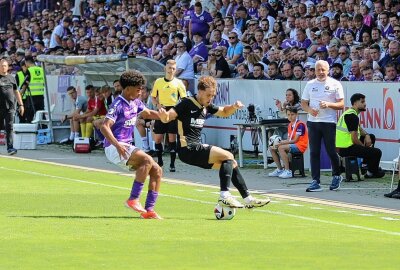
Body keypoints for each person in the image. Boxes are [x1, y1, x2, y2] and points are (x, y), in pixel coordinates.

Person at [158, 76, 270, 209]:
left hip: (194, 150)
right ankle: (224, 195)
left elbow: (224, 112)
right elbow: (169, 116)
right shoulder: (186, 103)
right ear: (199, 91)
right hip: (187, 148)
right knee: (228, 156)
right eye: (208, 95)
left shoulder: (206, 105)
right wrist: (164, 116)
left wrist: (234, 106)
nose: (210, 98)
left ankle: (248, 198)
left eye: (213, 95)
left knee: (231, 163)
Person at [100, 69, 163, 219]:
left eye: (142, 88)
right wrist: (117, 145)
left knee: (157, 170)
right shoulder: (118, 105)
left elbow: (147, 113)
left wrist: (166, 115)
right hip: (114, 147)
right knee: (147, 160)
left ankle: (149, 211)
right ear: (127, 89)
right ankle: (133, 199)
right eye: (138, 89)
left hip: (126, 146)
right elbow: (104, 126)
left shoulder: (135, 102)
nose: (141, 92)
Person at [301, 60, 344, 192]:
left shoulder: (335, 84)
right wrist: (309, 110)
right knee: (314, 152)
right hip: (313, 122)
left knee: (331, 151)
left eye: (323, 70)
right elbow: (304, 103)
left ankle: (336, 175)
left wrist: (328, 104)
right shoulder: (310, 84)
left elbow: (341, 104)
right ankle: (315, 181)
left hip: (328, 122)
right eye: (318, 70)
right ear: (314, 71)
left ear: (328, 70)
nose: (320, 72)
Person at [336, 93, 385, 179]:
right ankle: (372, 173)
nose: (365, 104)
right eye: (362, 102)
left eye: (364, 101)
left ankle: (364, 165)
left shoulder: (350, 113)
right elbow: (354, 139)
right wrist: (365, 148)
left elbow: (359, 129)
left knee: (371, 137)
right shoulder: (352, 116)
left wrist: (366, 135)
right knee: (377, 152)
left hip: (345, 145)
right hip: (346, 148)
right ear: (355, 103)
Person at [151, 59, 187, 172]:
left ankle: (172, 163)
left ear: (175, 70)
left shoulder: (179, 83)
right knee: (158, 138)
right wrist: (157, 105)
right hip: (161, 111)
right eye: (169, 68)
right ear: (165, 68)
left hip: (172, 111)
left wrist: (178, 110)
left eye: (173, 68)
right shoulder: (158, 81)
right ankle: (160, 161)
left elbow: (184, 99)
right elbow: (153, 97)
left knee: (172, 138)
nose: (171, 70)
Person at [268, 107, 308, 179]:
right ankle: (279, 169)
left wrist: (282, 142)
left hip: (300, 145)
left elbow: (295, 140)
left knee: (281, 147)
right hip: (293, 144)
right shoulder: (290, 125)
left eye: (292, 114)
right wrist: (279, 142)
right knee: (272, 148)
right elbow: (289, 139)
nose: (290, 116)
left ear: (296, 114)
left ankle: (288, 171)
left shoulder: (300, 125)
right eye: (288, 114)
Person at [0, 58, 24, 155]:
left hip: (10, 107)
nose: (3, 67)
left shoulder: (12, 78)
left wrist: (21, 104)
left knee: (9, 127)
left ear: (7, 67)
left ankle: (10, 147)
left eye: (5, 66)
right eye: (1, 65)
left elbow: (16, 91)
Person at [19, 56, 45, 123]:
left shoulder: (29, 70)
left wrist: (19, 95)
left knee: (29, 115)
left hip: (31, 97)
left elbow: (25, 85)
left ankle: (29, 131)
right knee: (41, 115)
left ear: (26, 62)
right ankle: (44, 130)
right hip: (40, 96)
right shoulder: (41, 69)